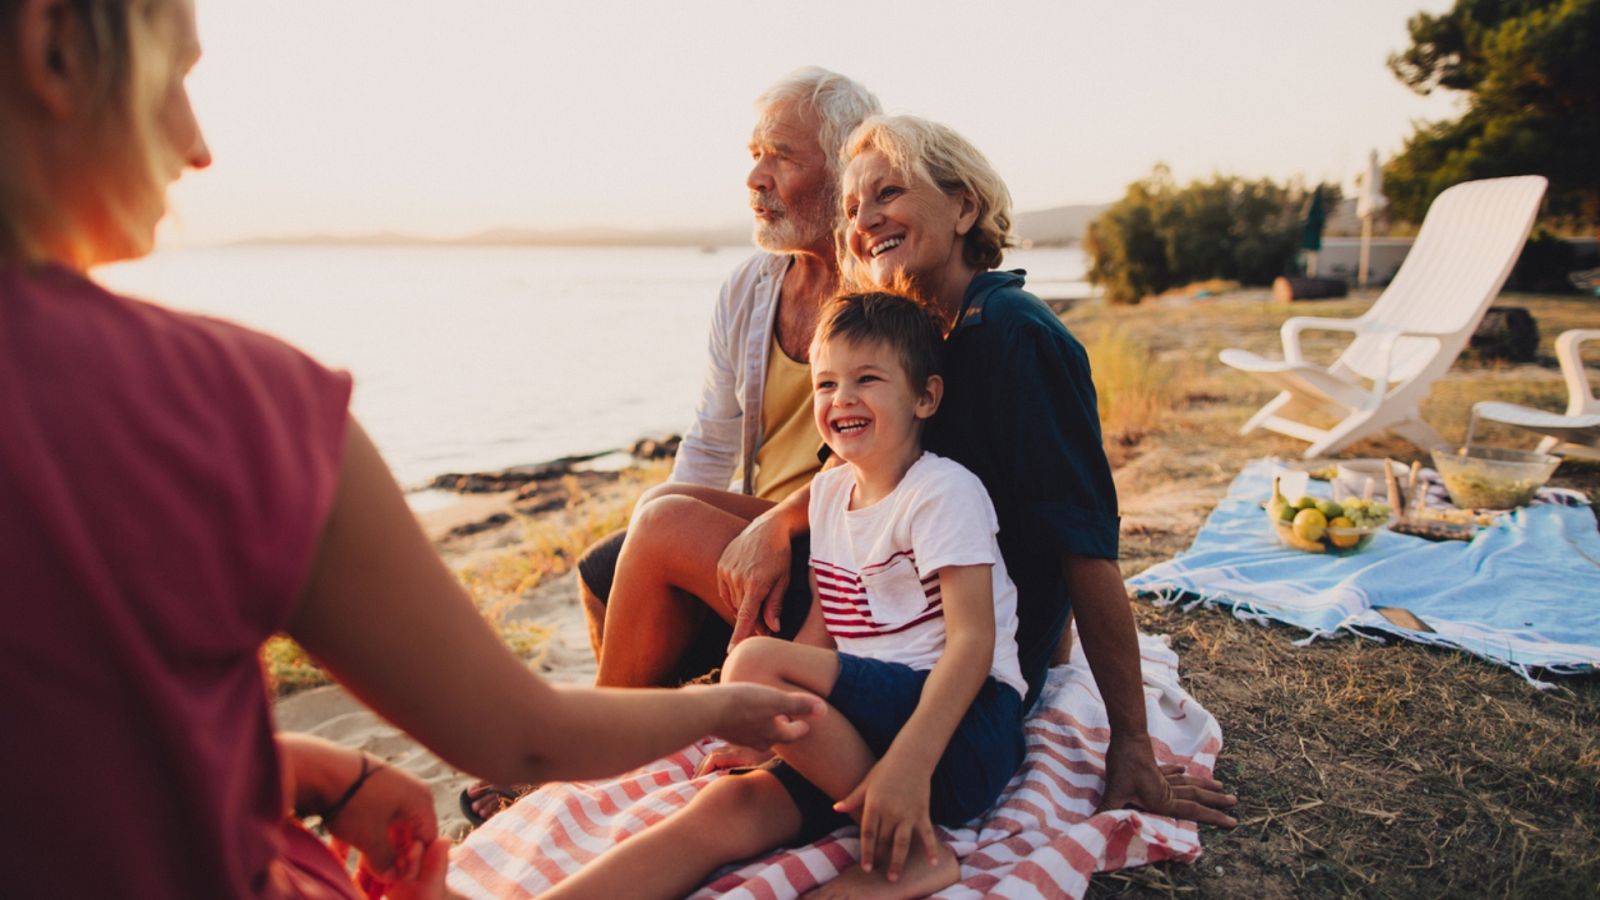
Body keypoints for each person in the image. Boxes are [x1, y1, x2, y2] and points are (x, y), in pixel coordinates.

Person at [0, 2, 823, 897]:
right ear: (53, 47)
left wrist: (315, 769)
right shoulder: (230, 403)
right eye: (177, 78)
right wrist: (731, 705)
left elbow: (80, 746)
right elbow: (521, 734)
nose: (197, 147)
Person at [600, 113, 1240, 830]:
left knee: (664, 524)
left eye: (889, 194)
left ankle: (593, 750)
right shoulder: (917, 323)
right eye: (851, 208)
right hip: (890, 566)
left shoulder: (1016, 336)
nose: (864, 221)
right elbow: (844, 476)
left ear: (964, 207)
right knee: (661, 506)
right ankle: (624, 723)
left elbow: (1084, 545)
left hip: (934, 616)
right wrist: (778, 522)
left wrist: (1132, 743)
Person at [461, 67, 882, 824]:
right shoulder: (751, 289)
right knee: (615, 557)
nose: (755, 179)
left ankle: (582, 754)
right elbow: (711, 440)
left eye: (782, 156)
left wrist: (724, 528)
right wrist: (658, 538)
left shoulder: (883, 291)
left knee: (661, 525)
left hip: (839, 546)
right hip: (757, 530)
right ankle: (641, 726)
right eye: (753, 155)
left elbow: (885, 468)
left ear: (846, 164)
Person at [544, 291, 1027, 899]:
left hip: (961, 730)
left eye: (867, 379)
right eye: (825, 384)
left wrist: (907, 765)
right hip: (864, 738)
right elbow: (821, 637)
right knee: (726, 807)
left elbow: (974, 643)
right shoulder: (827, 500)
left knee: (750, 666)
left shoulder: (942, 493)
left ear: (925, 397)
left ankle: (911, 849)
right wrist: (772, 736)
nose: (841, 398)